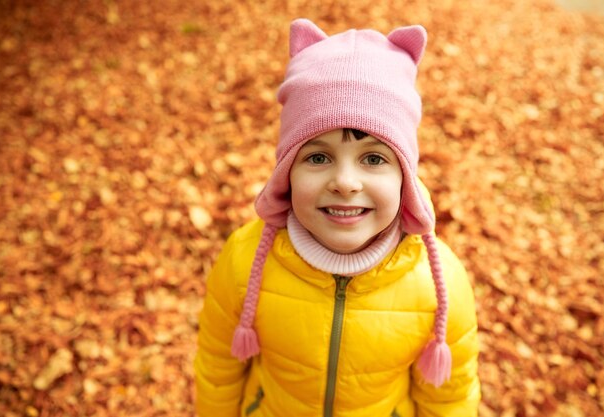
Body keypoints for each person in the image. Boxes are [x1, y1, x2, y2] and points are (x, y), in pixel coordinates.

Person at [194, 18, 480, 417]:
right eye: (318, 157)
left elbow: (448, 399)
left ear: (405, 179)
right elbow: (217, 369)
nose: (345, 182)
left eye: (374, 158)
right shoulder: (245, 261)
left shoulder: (438, 283)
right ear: (286, 174)